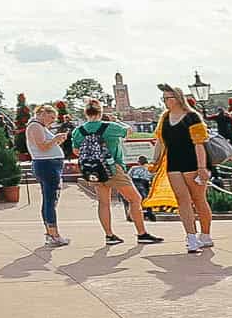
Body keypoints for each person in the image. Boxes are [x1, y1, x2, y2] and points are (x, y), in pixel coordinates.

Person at [71, 99, 163, 245]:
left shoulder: (78, 131)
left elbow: (76, 151)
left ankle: (109, 235)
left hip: (93, 170)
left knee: (104, 203)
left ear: (85, 113)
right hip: (113, 168)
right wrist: (117, 120)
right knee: (135, 199)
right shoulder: (110, 127)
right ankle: (141, 233)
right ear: (101, 112)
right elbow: (129, 131)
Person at [156, 84, 214, 252]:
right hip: (173, 163)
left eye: (169, 98)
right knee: (182, 200)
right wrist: (154, 162)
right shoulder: (164, 118)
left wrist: (202, 167)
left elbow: (199, 144)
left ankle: (205, 234)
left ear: (178, 98)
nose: (166, 101)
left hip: (192, 162)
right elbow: (160, 142)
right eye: (164, 98)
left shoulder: (192, 117)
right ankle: (190, 236)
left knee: (198, 199)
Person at [25, 103, 69, 246]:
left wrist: (55, 141)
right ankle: (53, 234)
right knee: (51, 200)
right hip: (47, 164)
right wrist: (55, 139)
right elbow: (42, 146)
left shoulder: (38, 126)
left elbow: (44, 145)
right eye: (51, 117)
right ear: (42, 113)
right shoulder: (35, 126)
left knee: (48, 199)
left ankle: (51, 232)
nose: (52, 121)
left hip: (48, 164)